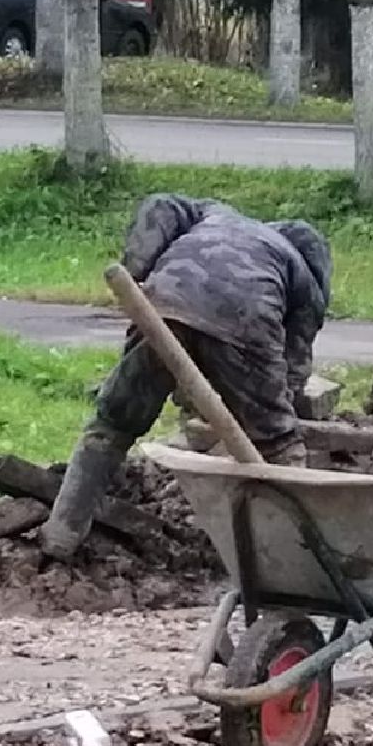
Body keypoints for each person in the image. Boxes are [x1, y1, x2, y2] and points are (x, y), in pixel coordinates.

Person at [39, 193, 332, 560]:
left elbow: (160, 205)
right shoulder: (301, 273)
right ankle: (294, 556)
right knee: (280, 444)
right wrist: (274, 417)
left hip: (162, 301)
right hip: (245, 316)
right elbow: (293, 369)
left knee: (112, 424)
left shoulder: (213, 215)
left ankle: (61, 535)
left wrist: (137, 268)